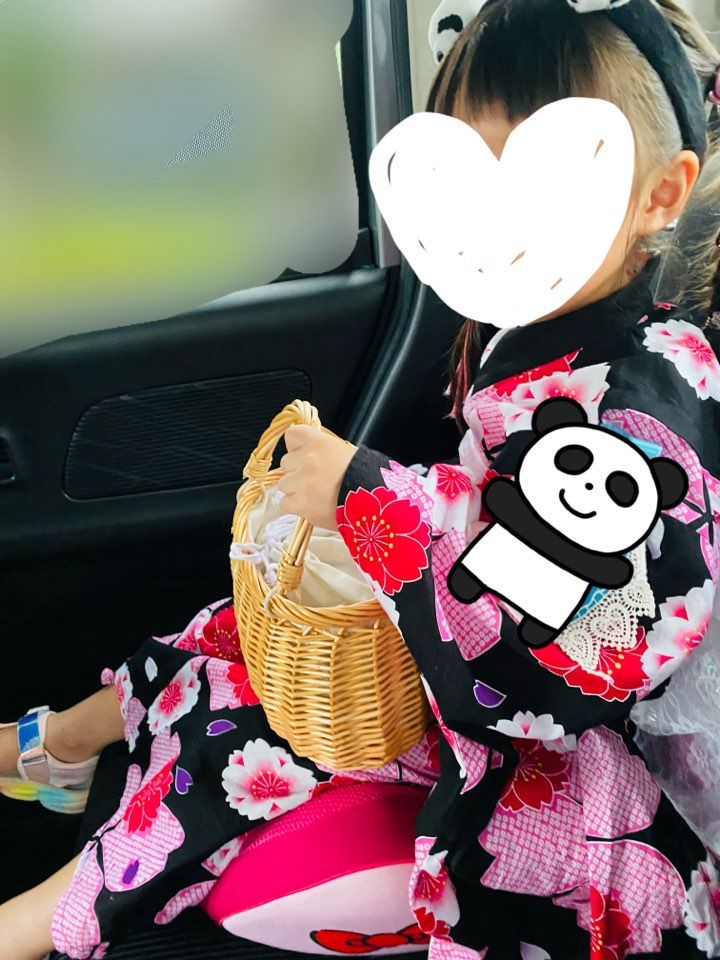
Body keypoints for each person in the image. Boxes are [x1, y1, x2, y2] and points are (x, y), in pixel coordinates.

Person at [3, 0, 720, 956]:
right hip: (460, 636)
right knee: (233, 629)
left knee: (246, 741)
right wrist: (383, 509)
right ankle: (60, 746)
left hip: (560, 744)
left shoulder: (646, 402)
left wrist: (367, 493)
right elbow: (495, 500)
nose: (493, 226)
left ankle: (40, 919)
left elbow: (576, 646)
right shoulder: (542, 321)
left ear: (662, 195)